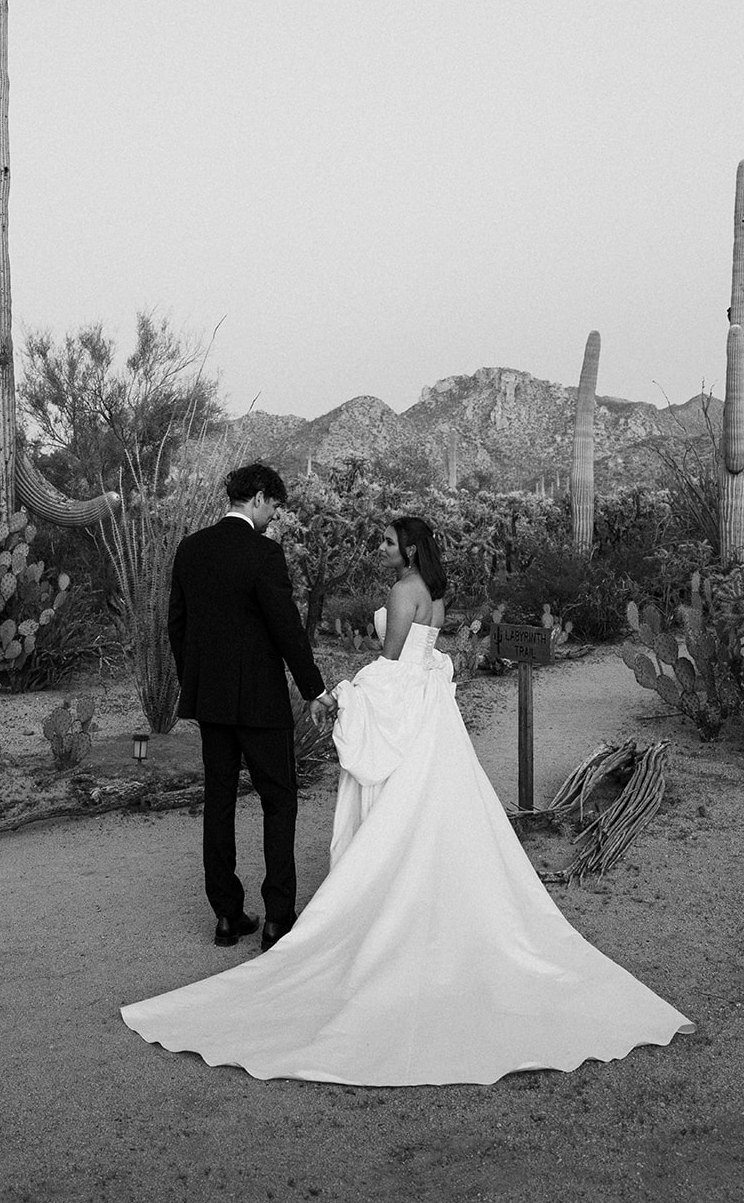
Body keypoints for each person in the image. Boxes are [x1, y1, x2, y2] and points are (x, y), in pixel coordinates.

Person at [124, 513, 694, 1084]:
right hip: (432, 715)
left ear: (411, 550)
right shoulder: (434, 595)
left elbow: (392, 669)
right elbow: (421, 659)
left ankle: (326, 910)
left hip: (386, 697)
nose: (380, 548)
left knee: (337, 808)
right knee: (436, 813)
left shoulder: (401, 592)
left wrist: (343, 696)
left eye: (388, 541)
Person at [167, 462, 327, 951]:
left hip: (211, 704)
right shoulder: (264, 553)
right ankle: (278, 917)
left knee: (218, 803)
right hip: (260, 705)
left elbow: (178, 625)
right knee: (278, 801)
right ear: (257, 498)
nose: (274, 516)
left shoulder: (191, 549)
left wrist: (197, 683)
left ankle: (226, 916)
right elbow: (285, 628)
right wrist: (314, 689)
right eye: (274, 505)